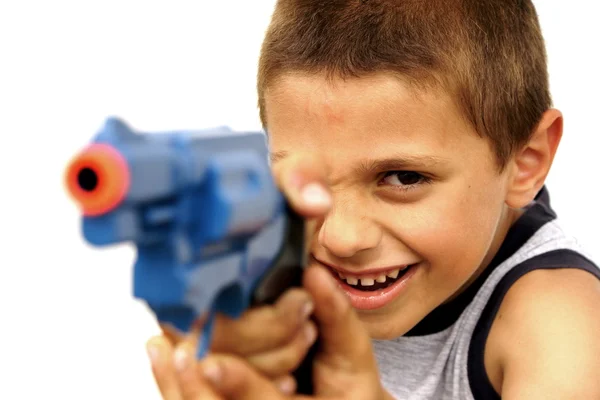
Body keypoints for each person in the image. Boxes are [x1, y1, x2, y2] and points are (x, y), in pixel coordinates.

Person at [144, 0, 600, 398]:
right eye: (308, 181)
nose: (341, 238)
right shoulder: (285, 264)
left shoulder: (565, 324)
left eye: (402, 177)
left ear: (526, 161)